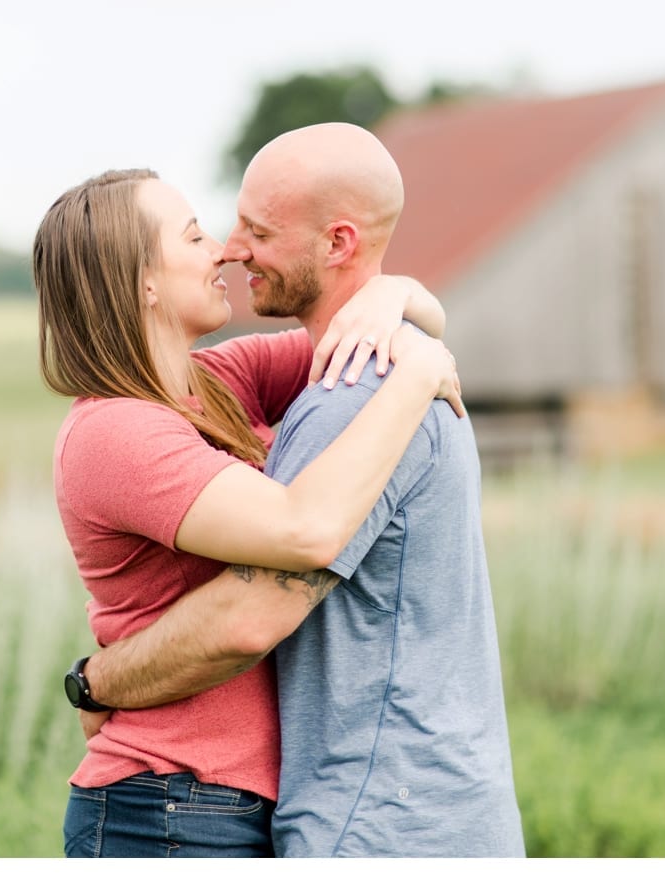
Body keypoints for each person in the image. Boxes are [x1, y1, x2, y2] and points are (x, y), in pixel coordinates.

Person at [76, 125, 527, 858]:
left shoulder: (341, 390)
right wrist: (413, 342)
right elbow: (286, 550)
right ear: (142, 282)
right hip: (175, 797)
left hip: (375, 818)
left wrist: (402, 303)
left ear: (339, 243)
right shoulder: (123, 429)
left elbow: (253, 612)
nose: (228, 247)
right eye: (201, 236)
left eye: (254, 229)